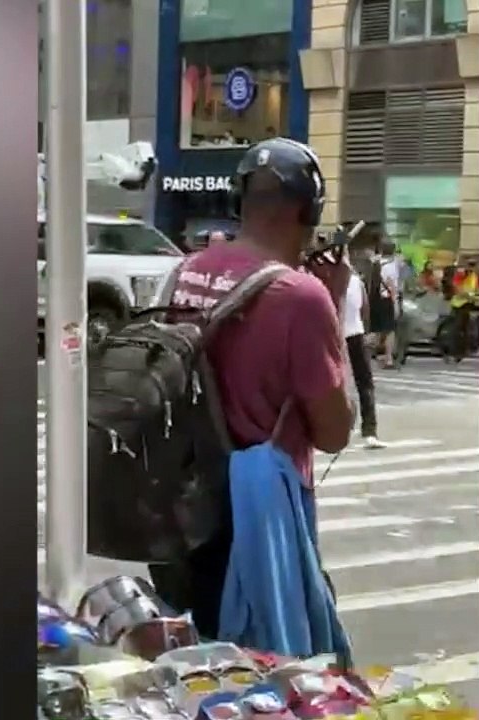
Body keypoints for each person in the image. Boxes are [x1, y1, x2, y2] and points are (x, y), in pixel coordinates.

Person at [148, 138, 354, 639]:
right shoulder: (302, 296)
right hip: (257, 525)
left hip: (186, 510)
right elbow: (334, 432)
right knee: (269, 664)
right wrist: (333, 304)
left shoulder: (186, 270)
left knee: (201, 657)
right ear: (308, 210)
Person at [342, 264, 385, 448]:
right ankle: (369, 429)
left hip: (338, 334)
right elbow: (365, 310)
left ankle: (343, 425)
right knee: (365, 382)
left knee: (338, 382)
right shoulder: (356, 282)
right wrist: (366, 330)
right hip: (355, 333)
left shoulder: (328, 281)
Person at [372, 243, 402, 369]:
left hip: (376, 299)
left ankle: (374, 354)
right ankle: (388, 358)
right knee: (390, 330)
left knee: (378, 329)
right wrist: (395, 303)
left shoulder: (376, 263)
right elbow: (392, 285)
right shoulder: (391, 266)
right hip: (387, 299)